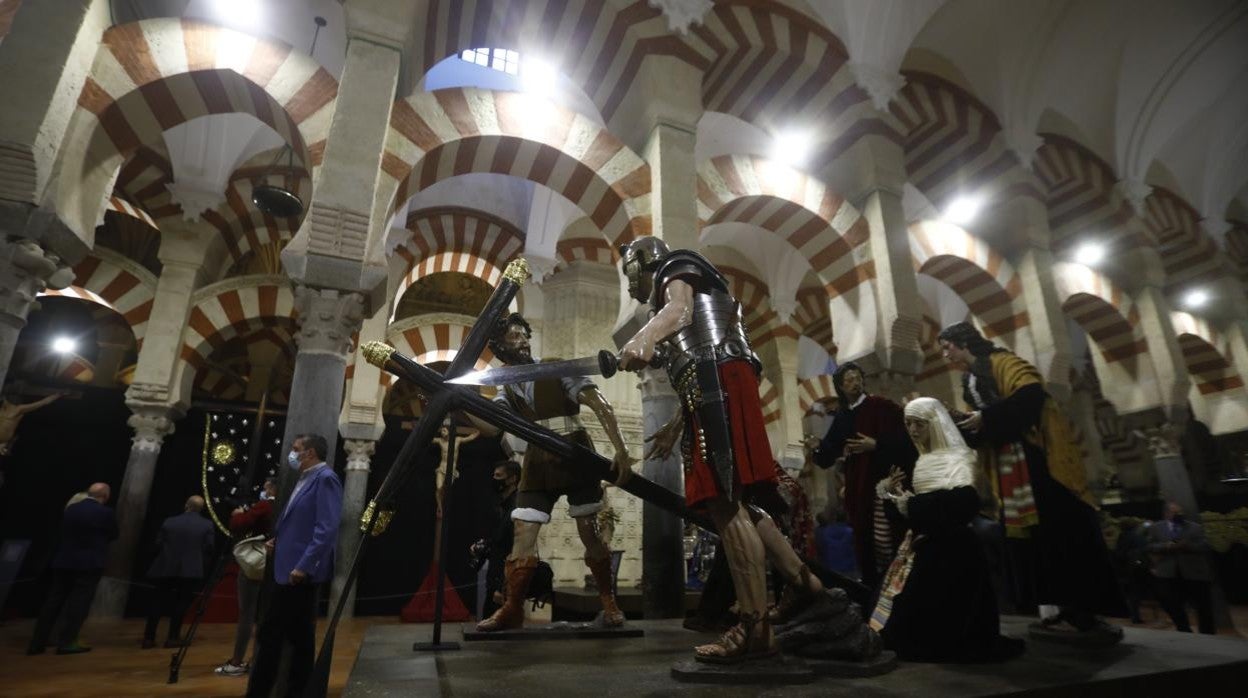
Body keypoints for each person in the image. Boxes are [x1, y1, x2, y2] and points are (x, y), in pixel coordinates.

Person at [617, 237, 833, 664]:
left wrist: (644, 336)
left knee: (723, 502)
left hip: (717, 384)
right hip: (716, 385)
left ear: (645, 261)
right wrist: (678, 422)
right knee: (743, 501)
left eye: (630, 275)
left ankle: (756, 628)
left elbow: (679, 311)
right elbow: (692, 356)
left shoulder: (674, 268)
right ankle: (805, 584)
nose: (631, 288)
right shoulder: (686, 286)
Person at [938, 321, 1124, 637]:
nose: (944, 354)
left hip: (1039, 462)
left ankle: (1084, 611)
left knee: (1064, 531)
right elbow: (985, 427)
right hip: (1011, 469)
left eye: (946, 346)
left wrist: (985, 418)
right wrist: (963, 423)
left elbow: (1030, 397)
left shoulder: (1003, 361)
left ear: (964, 343)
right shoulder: (970, 379)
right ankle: (1061, 607)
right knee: (1035, 539)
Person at [472, 312, 634, 632]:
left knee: (589, 531)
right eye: (513, 336)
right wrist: (460, 405)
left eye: (523, 334)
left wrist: (621, 450)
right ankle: (513, 607)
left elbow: (600, 404)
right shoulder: (506, 386)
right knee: (523, 532)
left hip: (575, 453)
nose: (522, 341)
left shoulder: (554, 366)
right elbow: (493, 427)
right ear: (500, 346)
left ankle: (608, 601)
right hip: (536, 460)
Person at [870, 397, 1025, 662]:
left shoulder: (959, 457)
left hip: (954, 550)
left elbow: (965, 503)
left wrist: (913, 504)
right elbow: (918, 510)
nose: (913, 430)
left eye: (919, 424)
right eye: (908, 424)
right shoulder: (921, 461)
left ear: (935, 424)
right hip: (921, 546)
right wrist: (895, 498)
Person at [246, 434, 343, 698]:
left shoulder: (325, 479)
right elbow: (301, 523)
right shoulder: (306, 478)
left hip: (298, 573)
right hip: (287, 565)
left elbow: (326, 528)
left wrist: (304, 565)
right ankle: (295, 690)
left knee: (273, 633)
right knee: (296, 636)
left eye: (296, 449)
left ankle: (265, 690)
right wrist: (280, 540)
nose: (292, 453)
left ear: (310, 453)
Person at [810, 363, 917, 588]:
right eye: (848, 380)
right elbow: (829, 452)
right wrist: (816, 448)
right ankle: (873, 596)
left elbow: (907, 443)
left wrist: (876, 445)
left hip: (884, 486)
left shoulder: (882, 406)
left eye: (857, 377)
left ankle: (900, 591)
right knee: (866, 546)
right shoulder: (842, 416)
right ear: (840, 386)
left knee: (887, 542)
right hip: (859, 489)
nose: (854, 383)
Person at [27, 482, 116, 655]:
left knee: (53, 602)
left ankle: (37, 643)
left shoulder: (71, 509)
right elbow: (113, 534)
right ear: (105, 496)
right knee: (79, 604)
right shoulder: (105, 512)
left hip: (64, 561)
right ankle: (67, 642)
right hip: (89, 563)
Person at [216, 477, 278, 676]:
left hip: (255, 564)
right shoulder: (286, 504)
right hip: (276, 565)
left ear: (271, 488)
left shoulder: (266, 506)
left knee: (247, 613)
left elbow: (239, 524)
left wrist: (238, 514)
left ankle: (237, 661)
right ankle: (262, 660)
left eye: (266, 486)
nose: (264, 489)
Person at [142, 495, 215, 649]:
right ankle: (173, 637)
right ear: (201, 508)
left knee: (157, 602)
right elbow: (209, 547)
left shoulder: (170, 521)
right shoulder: (207, 525)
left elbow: (158, 543)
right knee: (181, 603)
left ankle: (149, 638)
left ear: (186, 505)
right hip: (191, 569)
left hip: (165, 567)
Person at [1147, 502, 1215, 634]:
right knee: (1173, 605)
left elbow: (1205, 547)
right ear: (1166, 513)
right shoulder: (1156, 528)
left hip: (1194, 573)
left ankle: (1208, 634)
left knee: (1203, 606)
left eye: (1180, 512)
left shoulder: (1195, 527)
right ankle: (1184, 630)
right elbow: (1149, 546)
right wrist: (1166, 546)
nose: (1179, 515)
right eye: (1175, 512)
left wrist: (1187, 546)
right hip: (1169, 574)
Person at [470, 461, 521, 618]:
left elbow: (514, 546)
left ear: (512, 479)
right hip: (495, 572)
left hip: (505, 576)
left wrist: (502, 586)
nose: (494, 479)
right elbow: (497, 537)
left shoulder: (517, 507)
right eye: (494, 475)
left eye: (499, 476)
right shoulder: (501, 504)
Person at [815, 510, 857, 580]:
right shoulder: (851, 532)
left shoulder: (825, 531)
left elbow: (821, 549)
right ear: (846, 518)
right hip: (849, 569)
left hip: (831, 568)